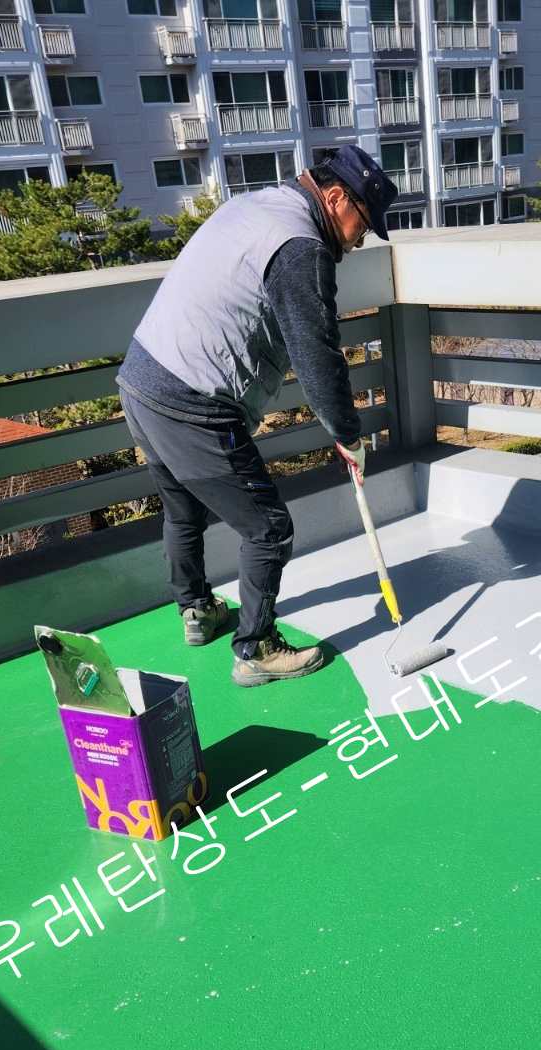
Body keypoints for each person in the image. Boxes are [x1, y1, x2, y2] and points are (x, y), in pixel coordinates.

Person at [116, 145, 398, 687]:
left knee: (183, 509)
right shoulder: (301, 248)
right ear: (336, 198)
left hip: (142, 380)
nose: (358, 241)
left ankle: (197, 610)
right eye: (362, 224)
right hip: (191, 401)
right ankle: (255, 649)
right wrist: (348, 435)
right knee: (268, 528)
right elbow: (317, 357)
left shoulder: (256, 206)